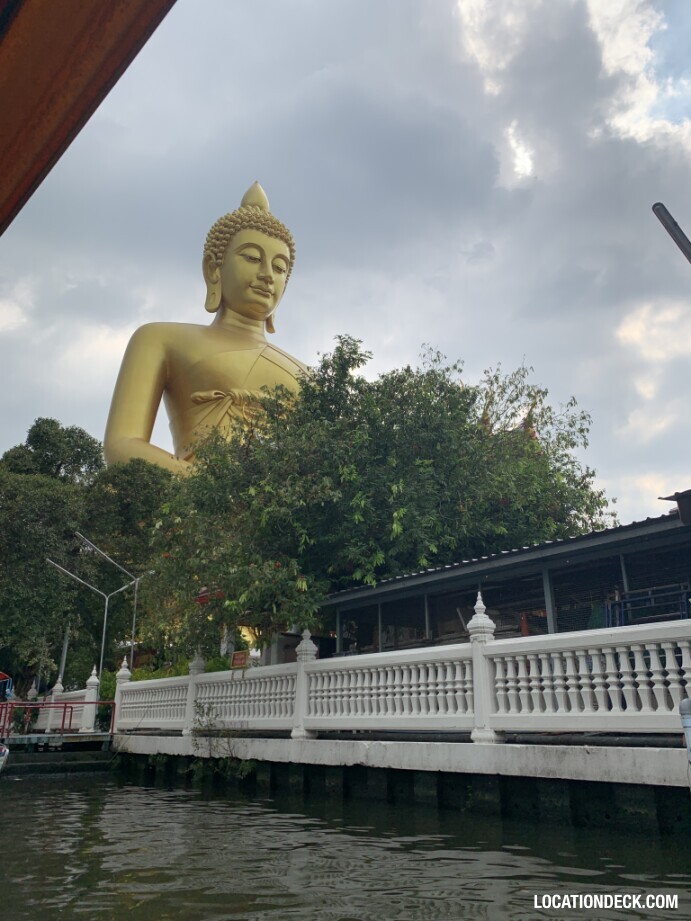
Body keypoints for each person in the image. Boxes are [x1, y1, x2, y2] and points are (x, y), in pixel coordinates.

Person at [104, 183, 306, 473]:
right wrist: (208, 488)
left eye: (280, 268)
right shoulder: (159, 339)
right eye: (252, 258)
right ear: (213, 268)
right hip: (191, 495)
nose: (267, 275)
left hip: (282, 501)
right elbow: (122, 445)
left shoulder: (308, 377)